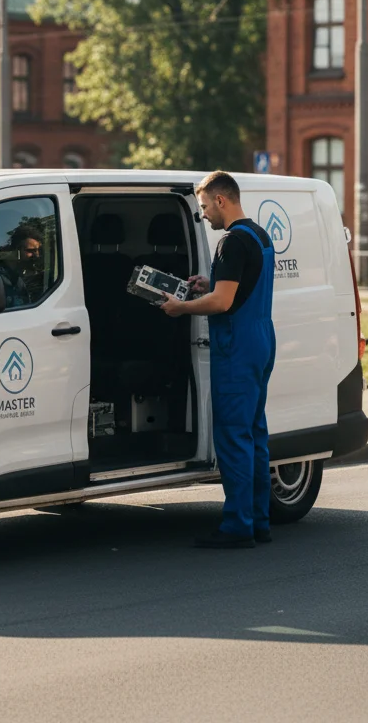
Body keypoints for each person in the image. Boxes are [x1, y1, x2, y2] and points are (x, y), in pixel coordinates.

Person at [160, 170, 275, 549]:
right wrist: (209, 283)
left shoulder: (229, 243)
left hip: (236, 347)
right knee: (255, 434)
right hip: (261, 339)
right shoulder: (259, 235)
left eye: (206, 206)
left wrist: (182, 307)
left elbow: (223, 303)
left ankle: (237, 527)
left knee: (233, 437)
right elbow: (239, 286)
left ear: (221, 200)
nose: (204, 214)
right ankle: (259, 521)